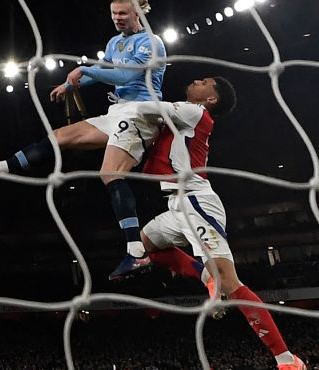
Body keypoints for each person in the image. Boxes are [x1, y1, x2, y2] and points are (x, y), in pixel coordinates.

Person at [0, 0, 167, 279]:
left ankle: (137, 253)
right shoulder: (115, 43)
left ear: (137, 14)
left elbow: (125, 77)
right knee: (59, 136)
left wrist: (83, 70)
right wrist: (70, 84)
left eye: (123, 13)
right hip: (118, 112)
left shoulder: (152, 43)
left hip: (142, 114)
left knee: (110, 173)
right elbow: (101, 72)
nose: (117, 18)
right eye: (113, 14)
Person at [124, 77, 306, 370]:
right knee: (140, 246)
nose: (196, 80)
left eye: (205, 82)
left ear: (211, 99)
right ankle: (206, 278)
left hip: (197, 202)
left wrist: (121, 89)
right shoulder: (188, 115)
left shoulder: (194, 111)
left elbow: (145, 107)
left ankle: (286, 360)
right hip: (176, 203)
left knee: (231, 282)